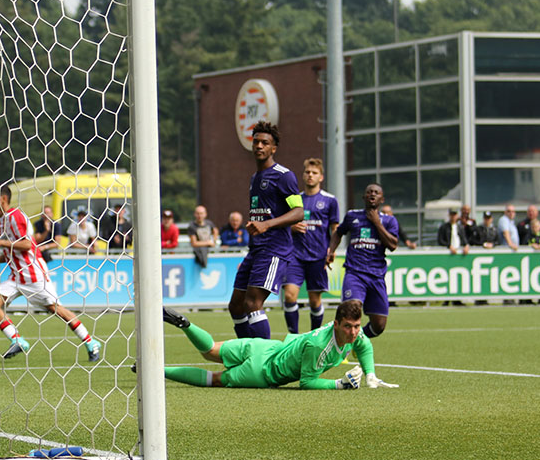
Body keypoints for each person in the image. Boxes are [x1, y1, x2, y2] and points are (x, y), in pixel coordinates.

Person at [157, 300, 397, 389]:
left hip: (265, 347)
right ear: (335, 324)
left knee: (210, 350)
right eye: (348, 327)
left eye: (356, 326)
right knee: (214, 378)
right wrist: (339, 384)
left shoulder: (354, 335)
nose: (354, 332)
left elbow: (365, 346)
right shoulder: (319, 347)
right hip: (262, 373)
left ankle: (186, 324)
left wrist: (371, 375)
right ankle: (157, 372)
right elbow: (307, 382)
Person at [0, 184, 101, 361]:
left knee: (56, 309)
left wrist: (0, 243)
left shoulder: (16, 216)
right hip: (16, 276)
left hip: (33, 273)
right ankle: (17, 340)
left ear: (3, 199)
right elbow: (11, 252)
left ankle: (90, 342)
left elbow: (28, 245)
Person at [228, 121, 304, 339]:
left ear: (273, 148)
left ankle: (264, 359)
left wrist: (266, 224)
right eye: (256, 142)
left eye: (265, 142)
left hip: (274, 250)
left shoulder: (284, 175)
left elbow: (299, 212)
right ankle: (246, 353)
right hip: (256, 250)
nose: (259, 146)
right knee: (236, 305)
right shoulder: (255, 178)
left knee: (253, 303)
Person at [327, 183, 399, 338]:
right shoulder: (352, 216)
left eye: (376, 192)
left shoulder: (389, 221)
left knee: (378, 325)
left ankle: (357, 342)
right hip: (355, 273)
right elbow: (338, 233)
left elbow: (393, 245)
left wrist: (376, 223)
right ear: (364, 197)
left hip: (376, 276)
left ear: (382, 199)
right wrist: (331, 250)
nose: (372, 194)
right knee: (351, 309)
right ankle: (340, 348)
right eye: (369, 192)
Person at [280, 157, 339, 333]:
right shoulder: (294, 199)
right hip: (294, 256)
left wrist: (332, 249)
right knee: (290, 295)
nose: (310, 175)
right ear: (303, 175)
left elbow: (335, 227)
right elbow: (283, 223)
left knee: (315, 300)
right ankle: (294, 337)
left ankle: (314, 335)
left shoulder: (330, 200)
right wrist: (291, 227)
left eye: (314, 173)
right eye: (307, 172)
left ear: (321, 177)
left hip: (318, 256)